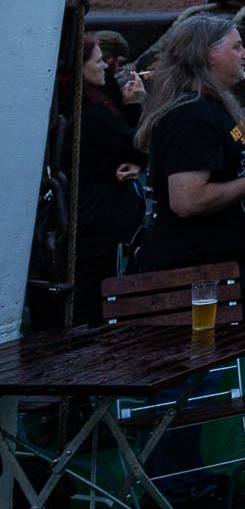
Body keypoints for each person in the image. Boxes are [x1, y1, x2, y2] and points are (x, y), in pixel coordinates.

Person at [131, 14, 245, 509]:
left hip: (214, 272)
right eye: (236, 46)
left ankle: (186, 484)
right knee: (187, 383)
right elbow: (186, 198)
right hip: (192, 276)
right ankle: (176, 493)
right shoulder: (191, 118)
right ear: (207, 54)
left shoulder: (212, 108)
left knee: (199, 380)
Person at [70, 34, 148, 324]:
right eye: (98, 61)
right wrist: (135, 106)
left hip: (95, 220)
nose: (105, 66)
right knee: (94, 302)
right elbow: (139, 144)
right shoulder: (93, 117)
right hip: (98, 226)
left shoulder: (89, 103)